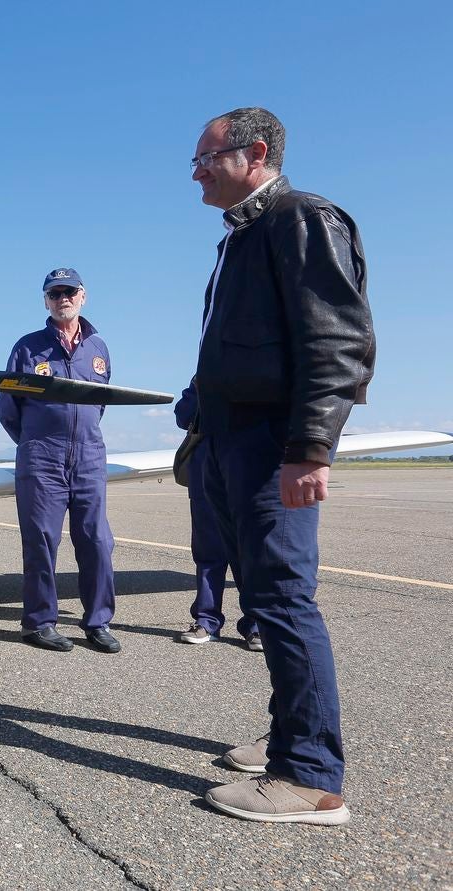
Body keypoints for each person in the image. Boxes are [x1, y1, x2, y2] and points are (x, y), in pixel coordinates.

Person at [190, 107, 374, 825]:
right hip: (232, 441)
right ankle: (289, 737)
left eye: (206, 157)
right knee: (265, 598)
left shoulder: (302, 218)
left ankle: (309, 778)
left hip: (273, 446)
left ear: (255, 152)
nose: (198, 171)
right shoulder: (242, 237)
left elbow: (336, 341)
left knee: (285, 599)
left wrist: (309, 448)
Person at [0, 268, 120, 654]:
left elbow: (100, 402)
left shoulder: (98, 347)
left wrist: (80, 437)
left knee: (97, 541)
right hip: (42, 457)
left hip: (88, 456)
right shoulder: (28, 347)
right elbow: (8, 405)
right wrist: (35, 442)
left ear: (82, 295)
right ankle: (38, 622)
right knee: (41, 541)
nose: (62, 298)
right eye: (54, 294)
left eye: (69, 292)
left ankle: (97, 621)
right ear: (46, 301)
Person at [173, 380, 261, 650]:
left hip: (247, 468)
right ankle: (207, 620)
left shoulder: (257, 366)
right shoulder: (202, 375)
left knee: (250, 552)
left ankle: (257, 624)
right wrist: (201, 388)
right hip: (206, 474)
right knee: (208, 553)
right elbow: (182, 416)